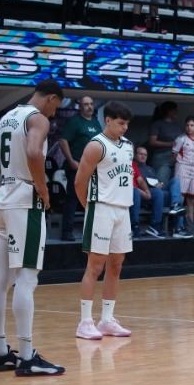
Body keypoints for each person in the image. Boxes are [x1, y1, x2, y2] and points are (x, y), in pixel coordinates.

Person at [0, 79, 65, 376]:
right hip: (25, 201)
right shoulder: (37, 119)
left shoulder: (8, 117)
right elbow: (35, 153)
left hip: (4, 201)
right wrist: (43, 189)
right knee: (27, 278)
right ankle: (26, 357)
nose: (53, 114)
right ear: (51, 98)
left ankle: (0, 352)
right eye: (56, 108)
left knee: (2, 278)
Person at [74, 101, 136, 340]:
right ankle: (85, 322)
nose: (124, 128)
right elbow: (79, 181)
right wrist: (89, 207)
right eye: (121, 123)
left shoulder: (128, 146)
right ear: (107, 120)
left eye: (127, 124)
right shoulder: (95, 145)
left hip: (123, 209)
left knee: (116, 265)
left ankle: (107, 320)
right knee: (95, 265)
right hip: (101, 208)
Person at [57, 96, 101, 241]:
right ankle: (67, 232)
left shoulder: (95, 122)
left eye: (91, 104)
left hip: (94, 168)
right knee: (72, 199)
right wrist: (71, 160)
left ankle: (92, 232)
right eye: (86, 104)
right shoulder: (74, 122)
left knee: (93, 200)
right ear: (80, 107)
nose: (89, 107)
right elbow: (63, 141)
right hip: (77, 167)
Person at [172, 115, 194, 237]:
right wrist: (181, 164)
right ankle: (178, 227)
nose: (189, 127)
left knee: (191, 200)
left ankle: (190, 227)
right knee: (180, 199)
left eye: (192, 125)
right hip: (182, 169)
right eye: (187, 125)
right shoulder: (181, 139)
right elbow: (174, 155)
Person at [147, 100, 180, 187]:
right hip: (161, 157)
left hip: (175, 158)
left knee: (174, 183)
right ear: (168, 111)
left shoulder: (177, 125)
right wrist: (170, 144)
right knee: (161, 182)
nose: (176, 112)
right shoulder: (158, 124)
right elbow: (152, 141)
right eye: (174, 110)